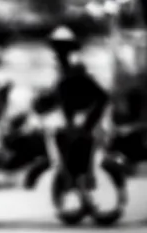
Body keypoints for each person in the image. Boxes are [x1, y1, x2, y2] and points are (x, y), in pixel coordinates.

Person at [33, 26, 109, 179]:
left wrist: (88, 121)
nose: (58, 51)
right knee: (61, 142)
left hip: (84, 118)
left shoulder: (75, 68)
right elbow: (58, 97)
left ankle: (83, 179)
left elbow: (92, 96)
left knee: (82, 148)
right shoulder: (60, 70)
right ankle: (70, 177)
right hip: (71, 118)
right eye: (56, 47)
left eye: (61, 47)